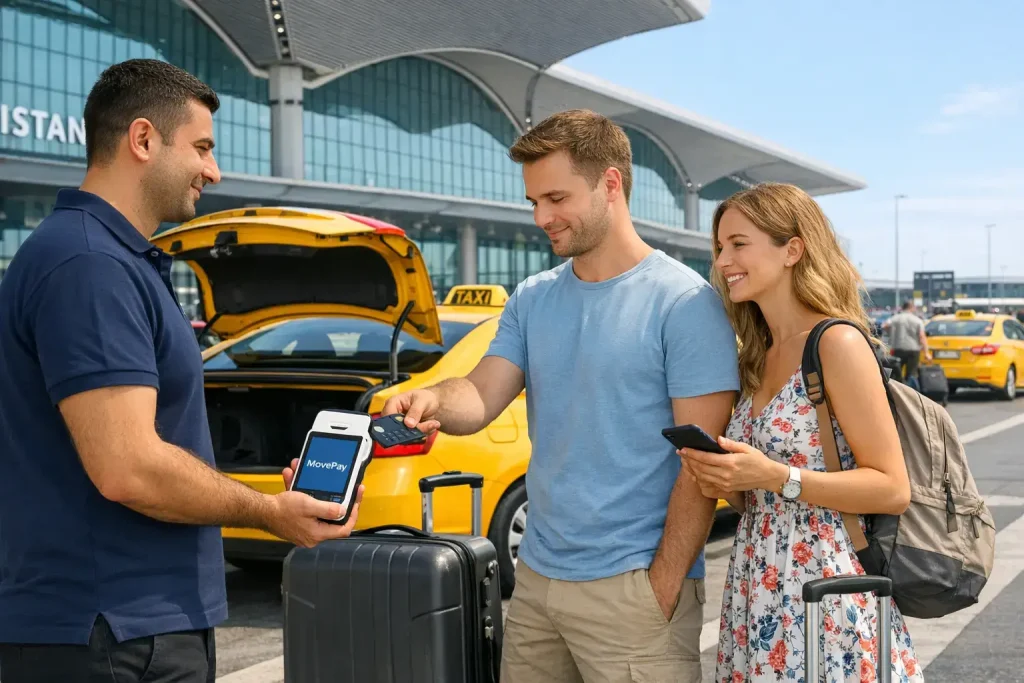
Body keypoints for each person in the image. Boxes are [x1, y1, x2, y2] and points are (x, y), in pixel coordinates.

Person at [0, 59, 362, 683]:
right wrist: (268, 510)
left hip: (127, 627)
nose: (213, 170)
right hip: (106, 632)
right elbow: (128, 466)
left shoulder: (111, 258)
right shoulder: (89, 266)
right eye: (201, 147)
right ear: (143, 140)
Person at [382, 109, 740, 683]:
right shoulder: (533, 297)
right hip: (538, 586)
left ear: (611, 184)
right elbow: (479, 392)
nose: (541, 218)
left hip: (634, 590)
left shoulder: (685, 304)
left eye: (555, 197)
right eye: (533, 202)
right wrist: (432, 401)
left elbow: (702, 468)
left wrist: (663, 587)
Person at [680, 183, 921, 682]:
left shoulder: (836, 343)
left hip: (825, 586)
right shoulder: (755, 354)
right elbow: (764, 494)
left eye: (739, 244)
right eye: (720, 247)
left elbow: (893, 488)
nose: (724, 261)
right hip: (758, 583)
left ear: (792, 249)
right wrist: (729, 482)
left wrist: (774, 476)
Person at [884, 300, 930, 384]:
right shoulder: (917, 320)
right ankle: (911, 392)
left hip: (897, 349)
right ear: (911, 307)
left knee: (896, 373)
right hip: (913, 350)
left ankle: (897, 391)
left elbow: (885, 325)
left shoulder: (895, 318)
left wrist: (891, 333)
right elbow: (922, 336)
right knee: (911, 374)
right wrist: (926, 352)